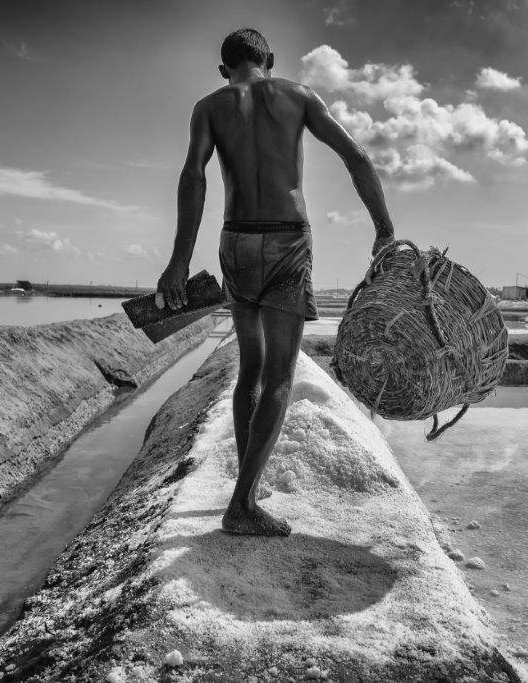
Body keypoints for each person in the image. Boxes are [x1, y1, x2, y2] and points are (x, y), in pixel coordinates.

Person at [156, 28, 395, 536]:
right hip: (287, 242)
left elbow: (192, 176)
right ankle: (242, 505)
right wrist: (383, 227)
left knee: (252, 372)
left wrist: (179, 260)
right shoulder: (299, 96)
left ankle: (247, 488)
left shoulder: (209, 106)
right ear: (269, 59)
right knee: (281, 377)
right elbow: (356, 157)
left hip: (237, 240)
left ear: (225, 69)